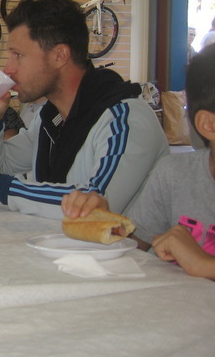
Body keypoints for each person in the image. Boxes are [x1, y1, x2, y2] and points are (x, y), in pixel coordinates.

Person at [0, 0, 168, 219]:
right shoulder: (50, 117)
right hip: (57, 241)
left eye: (18, 55)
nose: (8, 69)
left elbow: (95, 203)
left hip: (121, 244)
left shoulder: (125, 119)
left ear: (60, 55)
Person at [64, 44, 215, 279]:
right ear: (209, 125)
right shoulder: (174, 175)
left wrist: (203, 264)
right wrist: (104, 222)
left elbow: (199, 264)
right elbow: (133, 246)